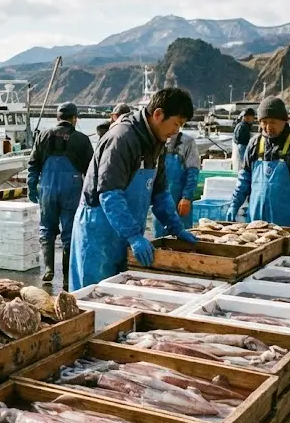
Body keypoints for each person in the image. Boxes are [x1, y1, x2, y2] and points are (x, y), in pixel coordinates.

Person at [68, 88, 199, 291]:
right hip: (99, 232)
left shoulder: (158, 143)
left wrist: (176, 227)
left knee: (119, 297)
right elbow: (109, 194)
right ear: (158, 114)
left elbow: (160, 192)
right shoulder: (122, 138)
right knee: (92, 297)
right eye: (176, 124)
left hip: (125, 231)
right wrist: (134, 236)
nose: (176, 131)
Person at [227, 97, 290, 233]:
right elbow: (244, 179)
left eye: (273, 122)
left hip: (288, 222)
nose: (268, 127)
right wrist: (234, 204)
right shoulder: (254, 144)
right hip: (255, 222)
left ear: (284, 121)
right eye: (264, 122)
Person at [27, 102, 94, 287]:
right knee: (69, 233)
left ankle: (48, 269)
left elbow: (33, 164)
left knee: (46, 229)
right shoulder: (81, 139)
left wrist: (31, 187)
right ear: (74, 118)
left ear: (57, 118)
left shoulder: (42, 135)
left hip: (47, 188)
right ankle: (66, 277)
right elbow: (91, 170)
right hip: (71, 189)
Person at [154, 131, 200, 235]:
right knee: (160, 237)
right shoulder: (157, 139)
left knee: (182, 236)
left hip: (179, 200)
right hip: (160, 200)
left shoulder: (188, 142)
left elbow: (193, 172)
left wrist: (187, 197)